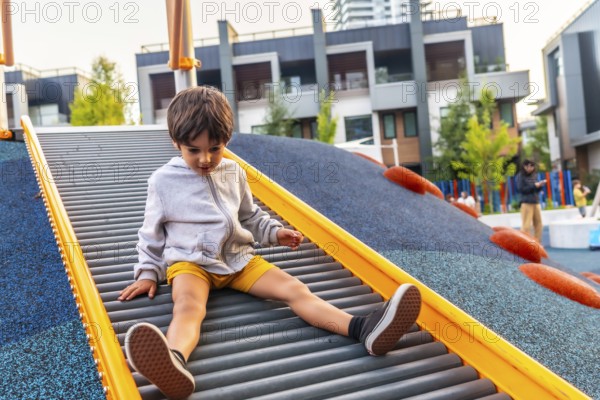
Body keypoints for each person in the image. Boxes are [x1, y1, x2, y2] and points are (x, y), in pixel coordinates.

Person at [118, 86, 422, 400]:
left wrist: (275, 233)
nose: (205, 158)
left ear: (227, 141)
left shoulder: (234, 172)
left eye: (215, 148)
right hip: (191, 262)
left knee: (296, 290)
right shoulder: (163, 181)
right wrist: (147, 273)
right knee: (189, 308)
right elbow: (150, 234)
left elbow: (250, 216)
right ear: (175, 142)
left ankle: (362, 328)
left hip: (237, 259)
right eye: (193, 150)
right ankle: (174, 360)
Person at [516, 159, 546, 243]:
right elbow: (521, 190)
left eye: (532, 166)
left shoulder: (534, 175)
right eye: (528, 166)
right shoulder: (520, 176)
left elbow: (536, 190)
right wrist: (534, 186)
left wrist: (540, 186)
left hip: (536, 202)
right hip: (526, 203)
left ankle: (537, 243)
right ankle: (524, 243)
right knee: (526, 226)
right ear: (524, 166)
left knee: (539, 224)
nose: (530, 168)